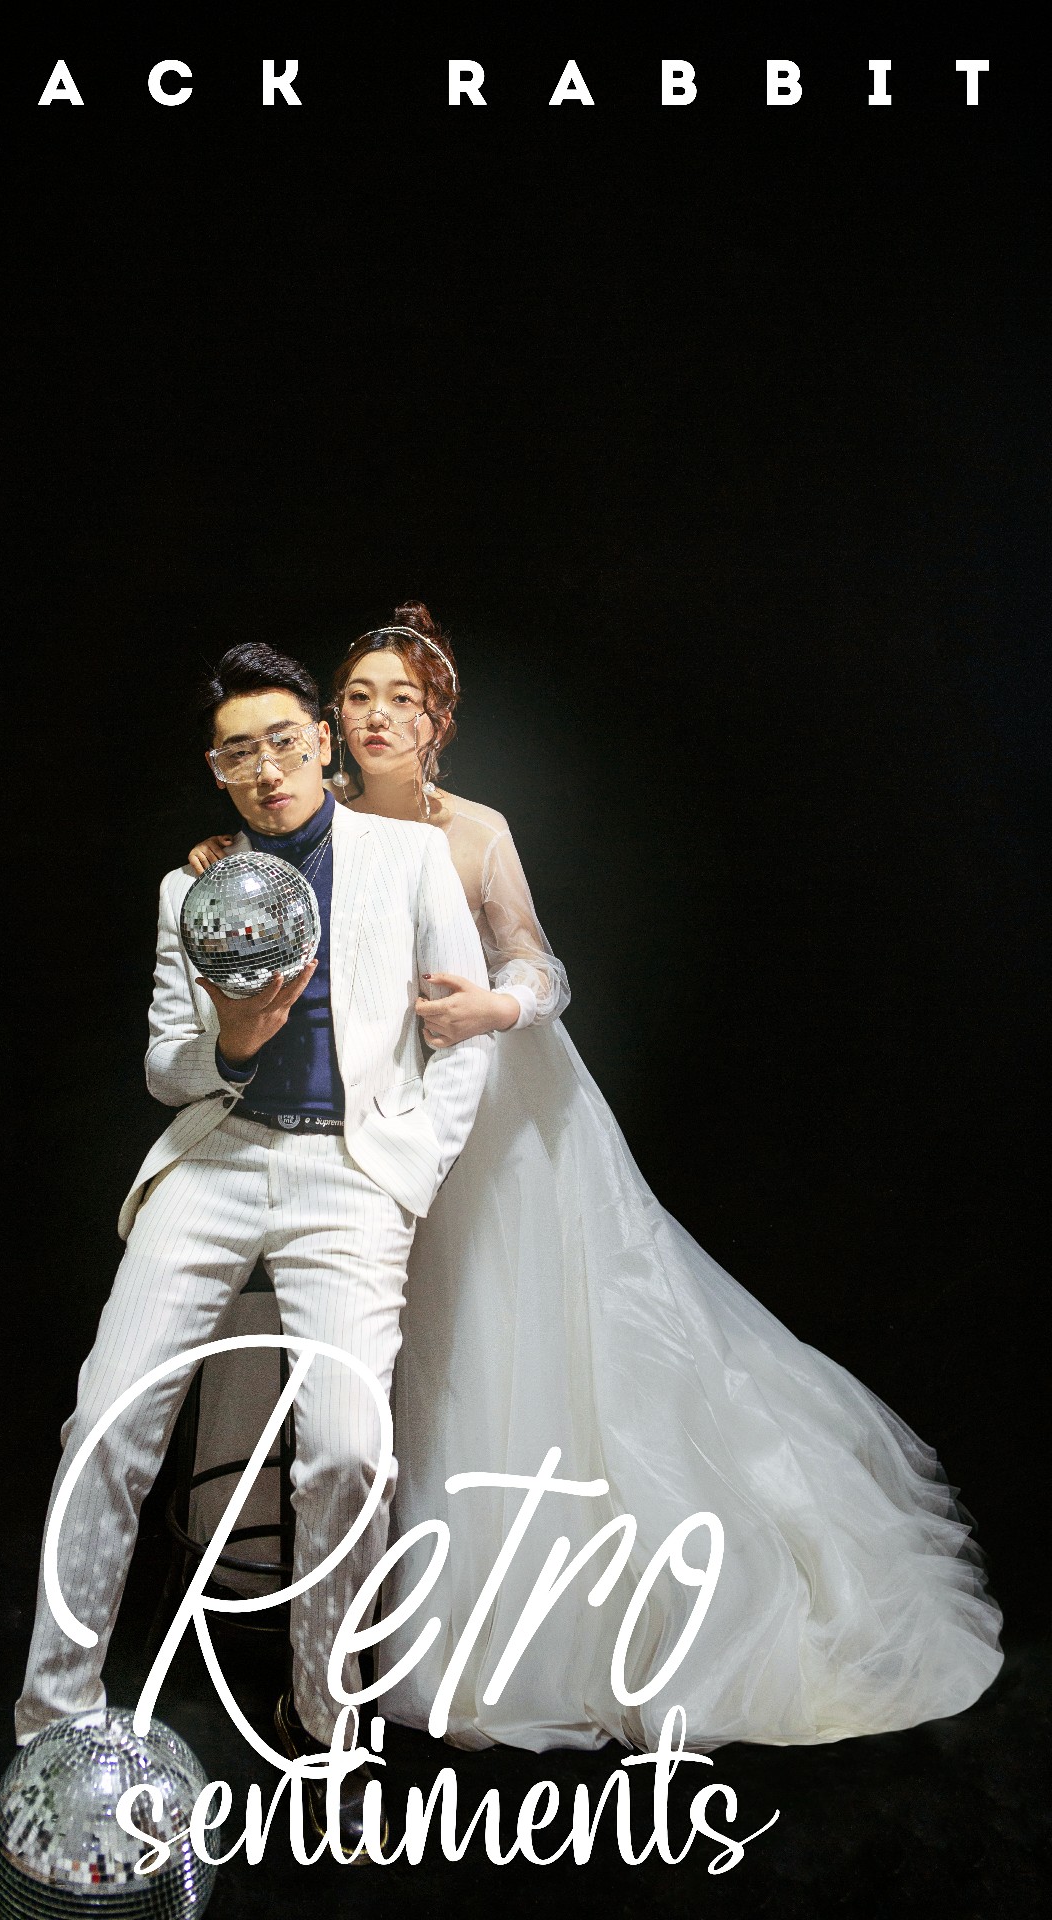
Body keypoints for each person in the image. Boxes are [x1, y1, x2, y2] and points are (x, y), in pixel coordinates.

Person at [187, 603, 1004, 1756]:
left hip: (498, 1112)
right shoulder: (313, 828)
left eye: (401, 701)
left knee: (504, 1337)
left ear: (434, 722)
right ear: (330, 722)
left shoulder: (474, 832)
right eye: (357, 698)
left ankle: (539, 1621)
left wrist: (494, 1005)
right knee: (390, 1350)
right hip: (372, 1114)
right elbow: (265, 915)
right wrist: (221, 869)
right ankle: (379, 1615)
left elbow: (540, 962)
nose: (376, 718)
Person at [0, 641, 492, 1871]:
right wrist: (234, 1037)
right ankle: (48, 1736)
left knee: (346, 1450)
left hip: (350, 1176)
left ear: (321, 741)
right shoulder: (186, 887)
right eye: (241, 753)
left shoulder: (406, 859)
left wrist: (404, 1171)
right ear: (217, 769)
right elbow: (162, 1066)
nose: (268, 768)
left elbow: (463, 1034)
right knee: (103, 1427)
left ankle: (324, 1729)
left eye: (286, 740)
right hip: (216, 1161)